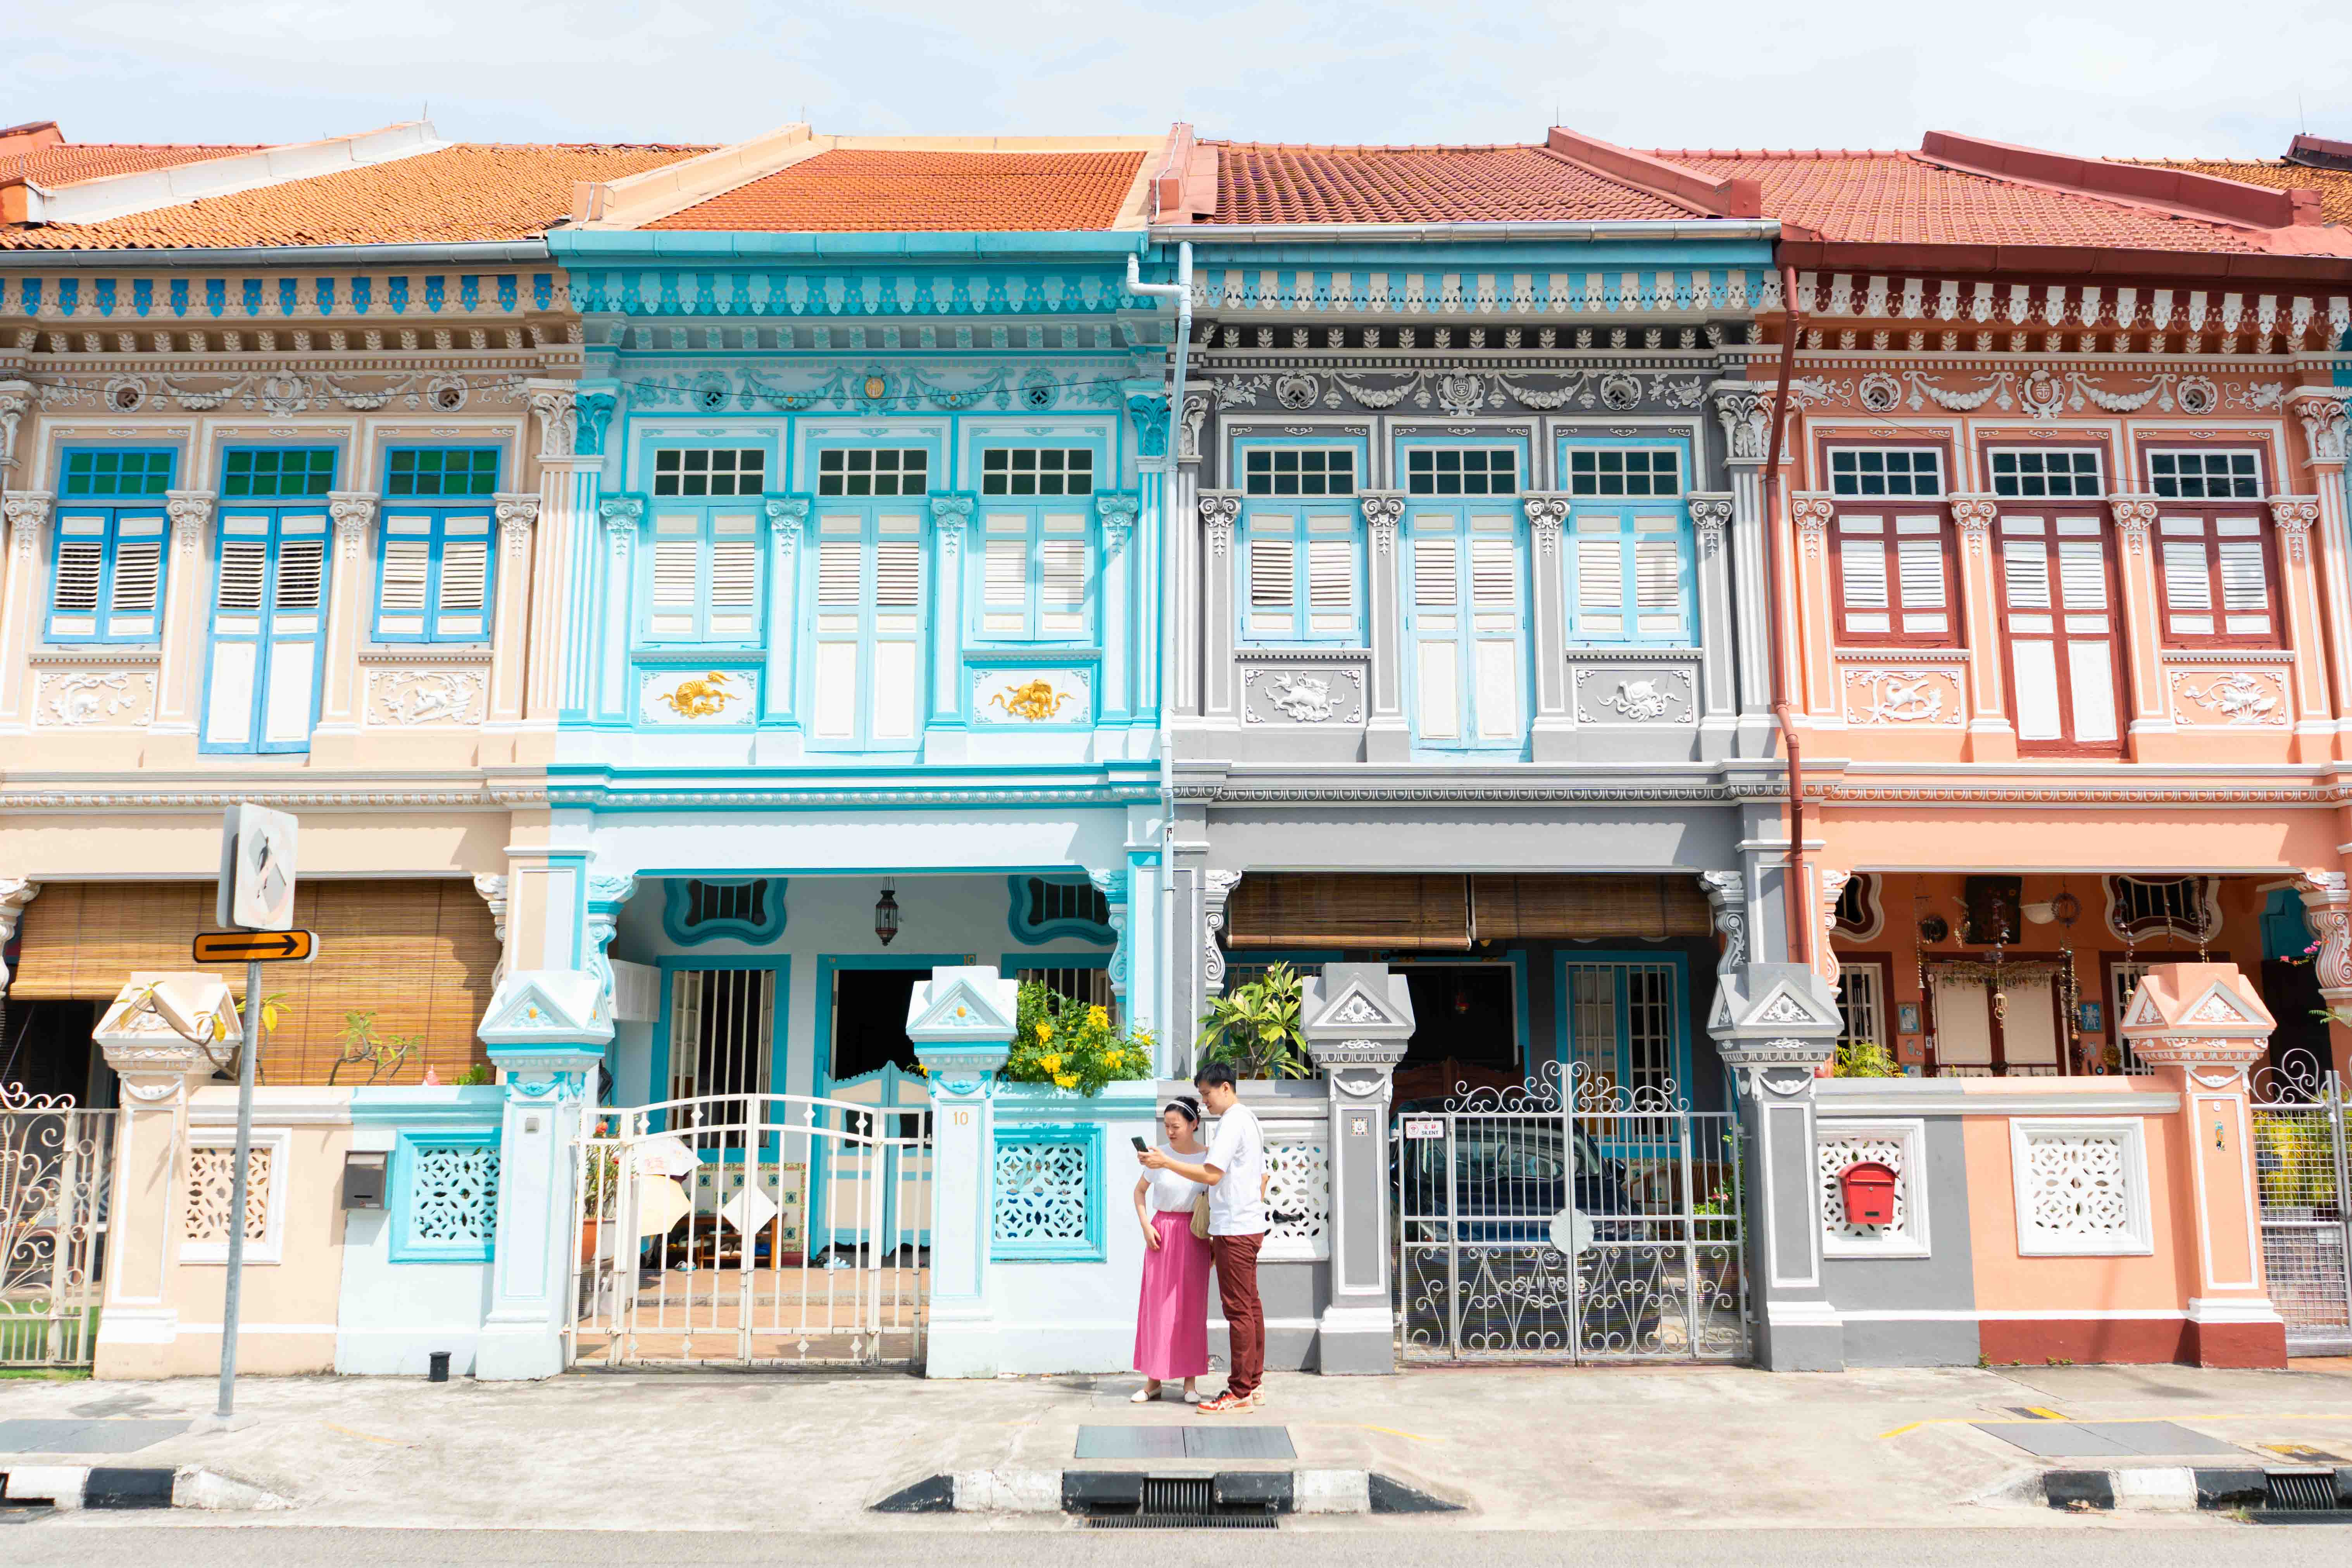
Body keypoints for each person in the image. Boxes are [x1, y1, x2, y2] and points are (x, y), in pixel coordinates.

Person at [1139, 1061, 1265, 1413]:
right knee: (1251, 1307)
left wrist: (1167, 1163)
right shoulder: (1251, 1120)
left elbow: (1211, 1174)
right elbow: (1262, 1177)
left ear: (1225, 1087)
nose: (1205, 1102)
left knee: (1239, 1310)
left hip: (1235, 1229)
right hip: (1248, 1224)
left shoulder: (1232, 1122)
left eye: (1207, 1094)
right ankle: (1253, 1384)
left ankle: (1239, 1390)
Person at [1129, 1096, 1212, 1404]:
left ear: (1194, 1124)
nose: (1170, 1131)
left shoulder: (1208, 1157)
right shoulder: (1157, 1156)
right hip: (1161, 1233)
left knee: (1191, 1308)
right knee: (1157, 1308)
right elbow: (1139, 1192)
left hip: (1194, 1235)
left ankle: (1190, 1383)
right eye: (1166, 1126)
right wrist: (1145, 1225)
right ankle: (1153, 1381)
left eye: (1176, 1126)